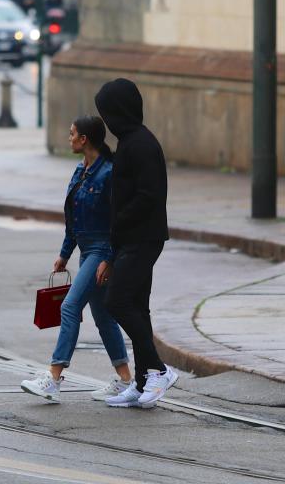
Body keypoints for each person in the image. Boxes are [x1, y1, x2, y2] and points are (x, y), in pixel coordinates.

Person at [20, 116, 133, 403]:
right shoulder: (79, 171)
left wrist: (108, 258)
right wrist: (64, 253)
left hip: (101, 252)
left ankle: (54, 378)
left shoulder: (108, 173)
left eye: (72, 134)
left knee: (69, 306)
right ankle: (125, 380)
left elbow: (117, 223)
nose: (68, 138)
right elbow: (73, 220)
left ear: (84, 139)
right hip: (86, 251)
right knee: (103, 317)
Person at [94, 78, 177, 409]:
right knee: (138, 306)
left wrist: (121, 220)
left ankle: (158, 369)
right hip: (131, 237)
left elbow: (149, 196)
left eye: (108, 113)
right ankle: (143, 381)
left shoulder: (141, 144)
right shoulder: (129, 142)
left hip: (143, 236)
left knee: (117, 301)